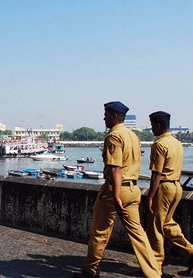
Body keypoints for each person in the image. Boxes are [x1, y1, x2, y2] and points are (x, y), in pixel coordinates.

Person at [78, 101, 161, 278]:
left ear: (115, 116)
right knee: (139, 234)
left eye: (106, 114)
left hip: (116, 189)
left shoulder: (113, 136)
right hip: (133, 189)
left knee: (100, 232)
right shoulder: (133, 136)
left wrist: (115, 196)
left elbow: (116, 168)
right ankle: (154, 273)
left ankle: (90, 271)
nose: (104, 118)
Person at [146, 111, 193, 275]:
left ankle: (155, 267)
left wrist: (150, 196)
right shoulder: (177, 143)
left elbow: (156, 173)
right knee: (167, 223)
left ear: (158, 125)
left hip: (163, 187)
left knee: (156, 227)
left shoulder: (160, 144)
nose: (151, 129)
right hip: (176, 186)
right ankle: (191, 251)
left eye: (152, 126)